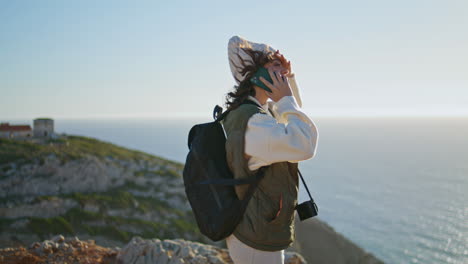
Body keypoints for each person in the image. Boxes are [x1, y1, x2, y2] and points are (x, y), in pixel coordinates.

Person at [221, 35, 319, 264]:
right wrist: (286, 98)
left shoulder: (250, 112)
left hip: (251, 228)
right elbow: (305, 144)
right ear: (257, 74)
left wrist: (289, 79)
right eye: (275, 66)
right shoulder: (256, 124)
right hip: (256, 240)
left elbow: (294, 114)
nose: (282, 72)